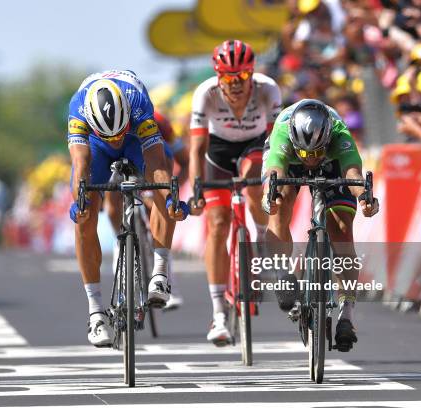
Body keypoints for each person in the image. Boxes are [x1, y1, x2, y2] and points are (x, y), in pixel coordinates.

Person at [67, 70, 189, 347]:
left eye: (117, 135)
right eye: (111, 137)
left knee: (164, 185)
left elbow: (157, 162)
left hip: (135, 135)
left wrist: (170, 198)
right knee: (84, 216)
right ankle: (95, 312)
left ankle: (160, 272)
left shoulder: (138, 103)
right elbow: (81, 164)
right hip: (95, 145)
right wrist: (81, 202)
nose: (115, 142)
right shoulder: (78, 112)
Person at [262, 99, 379, 352]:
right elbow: (274, 169)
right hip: (288, 161)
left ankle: (346, 314)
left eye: (316, 153)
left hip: (333, 162)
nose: (311, 160)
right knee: (279, 201)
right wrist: (267, 196)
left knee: (342, 228)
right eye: (307, 154)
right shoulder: (283, 132)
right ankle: (283, 274)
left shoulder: (339, 134)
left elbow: (352, 174)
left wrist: (364, 197)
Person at [188, 40, 282, 346]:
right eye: (229, 78)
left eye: (242, 77)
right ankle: (218, 314)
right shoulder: (206, 93)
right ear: (218, 77)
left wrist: (277, 180)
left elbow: (277, 143)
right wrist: (197, 187)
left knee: (253, 180)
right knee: (217, 224)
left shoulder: (268, 90)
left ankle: (259, 242)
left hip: (256, 147)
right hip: (218, 152)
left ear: (252, 74)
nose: (236, 84)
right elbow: (197, 147)